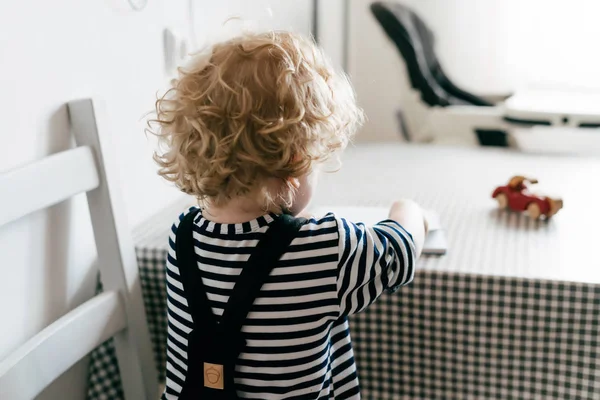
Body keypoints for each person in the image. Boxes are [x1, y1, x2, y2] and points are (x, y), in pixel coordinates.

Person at [149, 30, 427, 399]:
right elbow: (400, 251)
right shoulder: (326, 248)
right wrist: (407, 209)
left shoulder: (182, 235)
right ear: (297, 161)